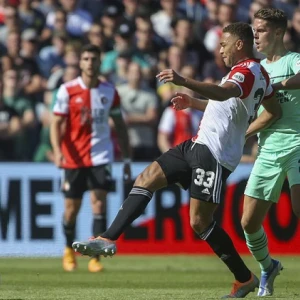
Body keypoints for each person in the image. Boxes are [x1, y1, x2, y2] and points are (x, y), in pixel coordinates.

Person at [72, 23, 281, 297]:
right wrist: (194, 103)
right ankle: (107, 238)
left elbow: (226, 94)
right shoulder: (256, 74)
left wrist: (183, 81)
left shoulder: (247, 71)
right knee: (147, 178)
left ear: (239, 44)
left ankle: (244, 279)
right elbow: (269, 110)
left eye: (223, 44)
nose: (220, 49)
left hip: (215, 155)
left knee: (199, 222)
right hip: (196, 144)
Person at [50, 44, 131, 273]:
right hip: (73, 158)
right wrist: (58, 151)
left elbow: (121, 126)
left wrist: (126, 159)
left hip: (100, 155)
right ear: (80, 62)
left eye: (93, 59)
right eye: (85, 58)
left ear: (99, 62)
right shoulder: (67, 90)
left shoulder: (109, 91)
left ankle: (95, 257)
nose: (89, 63)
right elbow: (56, 124)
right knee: (71, 209)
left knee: (99, 204)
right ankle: (68, 251)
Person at [241, 8, 300, 297]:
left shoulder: (293, 61)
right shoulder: (257, 68)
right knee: (248, 223)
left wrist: (274, 86)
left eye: (261, 29)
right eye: (255, 29)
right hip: (267, 149)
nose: (256, 34)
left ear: (278, 32)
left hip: (298, 143)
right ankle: (268, 266)